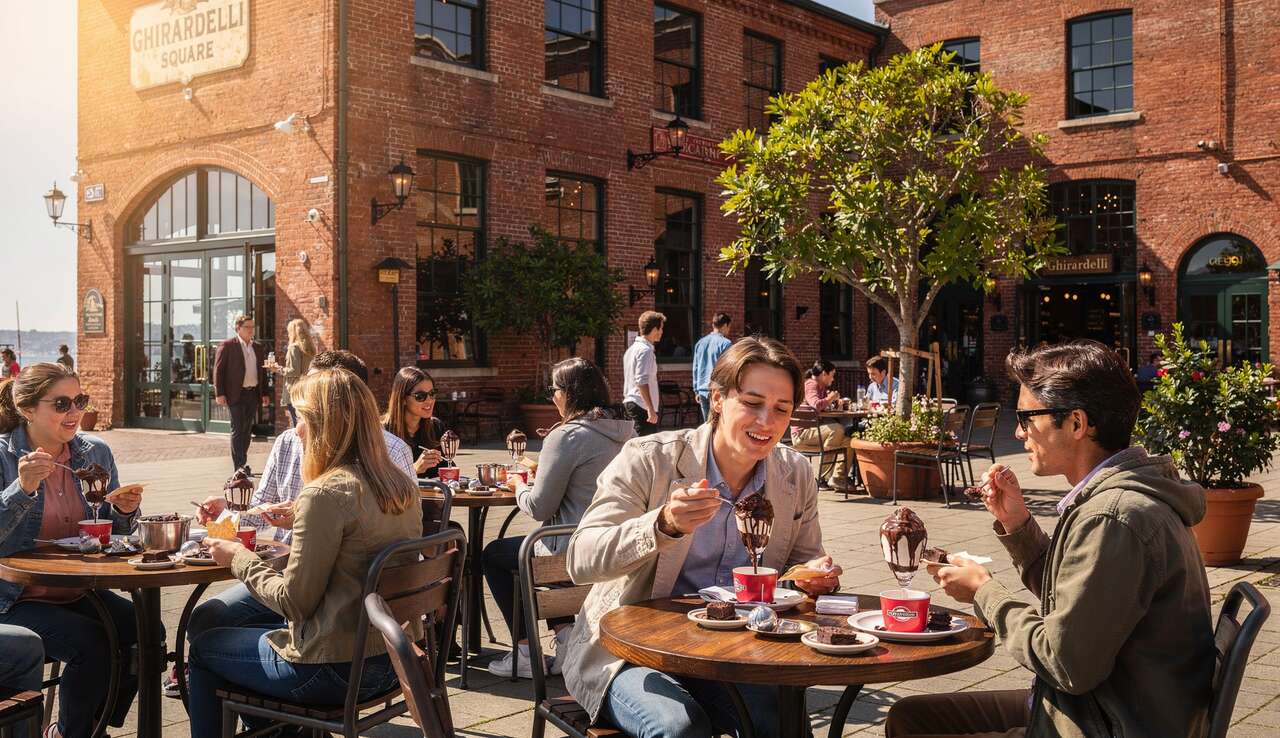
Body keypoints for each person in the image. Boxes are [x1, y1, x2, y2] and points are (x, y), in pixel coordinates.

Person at [889, 340, 1214, 738]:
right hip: (1108, 706)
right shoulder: (1123, 499)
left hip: (1102, 722)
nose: (1018, 431)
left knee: (913, 728)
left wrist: (983, 591)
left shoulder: (1113, 518)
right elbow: (1082, 602)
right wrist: (1017, 524)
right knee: (911, 716)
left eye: (1027, 418)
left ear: (1077, 424)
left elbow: (1065, 662)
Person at [561, 337, 843, 738]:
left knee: (785, 722)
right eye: (751, 402)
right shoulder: (649, 458)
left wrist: (815, 575)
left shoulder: (794, 474)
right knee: (681, 729)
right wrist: (662, 525)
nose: (766, 421)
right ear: (717, 398)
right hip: (632, 654)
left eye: (781, 409)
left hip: (734, 651)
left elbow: (805, 564)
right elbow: (581, 559)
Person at [187, 367, 423, 738]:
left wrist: (237, 557)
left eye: (301, 418)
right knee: (240, 625)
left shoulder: (324, 494)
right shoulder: (399, 487)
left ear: (327, 423)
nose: (296, 430)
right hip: (392, 661)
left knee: (204, 648)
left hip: (333, 670)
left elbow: (294, 603)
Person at [0, 363, 147, 738]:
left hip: (78, 590)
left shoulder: (94, 452)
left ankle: (91, 727)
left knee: (146, 632)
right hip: (15, 598)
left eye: (80, 400)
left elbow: (113, 535)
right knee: (93, 646)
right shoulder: (5, 457)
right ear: (28, 408)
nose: (75, 412)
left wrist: (124, 511)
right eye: (62, 403)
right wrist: (23, 487)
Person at [482, 358, 635, 679]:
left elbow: (538, 507)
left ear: (569, 394)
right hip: (615, 545)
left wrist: (519, 484)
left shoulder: (566, 436)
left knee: (497, 555)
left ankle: (525, 652)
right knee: (533, 551)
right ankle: (566, 638)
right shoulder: (625, 431)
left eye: (554, 390)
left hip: (574, 551)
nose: (552, 397)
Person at [790, 359, 855, 492]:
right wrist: (830, 398)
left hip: (815, 431)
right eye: (832, 374)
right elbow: (816, 404)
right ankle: (820, 478)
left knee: (850, 442)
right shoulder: (810, 384)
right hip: (802, 433)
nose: (833, 378)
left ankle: (838, 477)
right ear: (824, 374)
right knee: (837, 429)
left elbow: (822, 407)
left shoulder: (821, 387)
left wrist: (835, 402)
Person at [213, 314, 266, 470]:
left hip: (252, 393)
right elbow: (218, 371)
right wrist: (219, 393)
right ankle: (239, 466)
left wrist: (264, 394)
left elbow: (261, 372)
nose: (251, 330)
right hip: (235, 394)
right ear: (238, 328)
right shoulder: (228, 345)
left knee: (247, 429)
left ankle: (242, 461)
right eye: (247, 327)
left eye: (252, 327)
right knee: (237, 429)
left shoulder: (257, 347)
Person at [382, 367, 446, 478]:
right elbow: (379, 479)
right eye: (420, 396)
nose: (429, 400)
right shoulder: (381, 431)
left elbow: (446, 470)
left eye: (432, 393)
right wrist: (415, 468)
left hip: (434, 495)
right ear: (403, 399)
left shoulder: (436, 427)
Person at [622, 311, 664, 436]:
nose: (662, 331)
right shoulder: (646, 351)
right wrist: (650, 409)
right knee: (646, 449)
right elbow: (641, 381)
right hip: (641, 407)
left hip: (632, 403)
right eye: (661, 328)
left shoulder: (631, 350)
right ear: (654, 329)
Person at [270, 318, 314, 426]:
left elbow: (294, 371)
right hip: (306, 388)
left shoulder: (294, 347)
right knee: (305, 424)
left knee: (297, 424)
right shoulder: (309, 348)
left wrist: (278, 369)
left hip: (295, 389)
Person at [692, 313, 733, 421]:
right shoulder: (726, 344)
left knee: (708, 424)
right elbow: (728, 368)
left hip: (702, 389)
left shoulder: (700, 343)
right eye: (729, 327)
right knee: (720, 424)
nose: (729, 330)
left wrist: (696, 390)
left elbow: (695, 368)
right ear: (725, 325)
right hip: (718, 390)